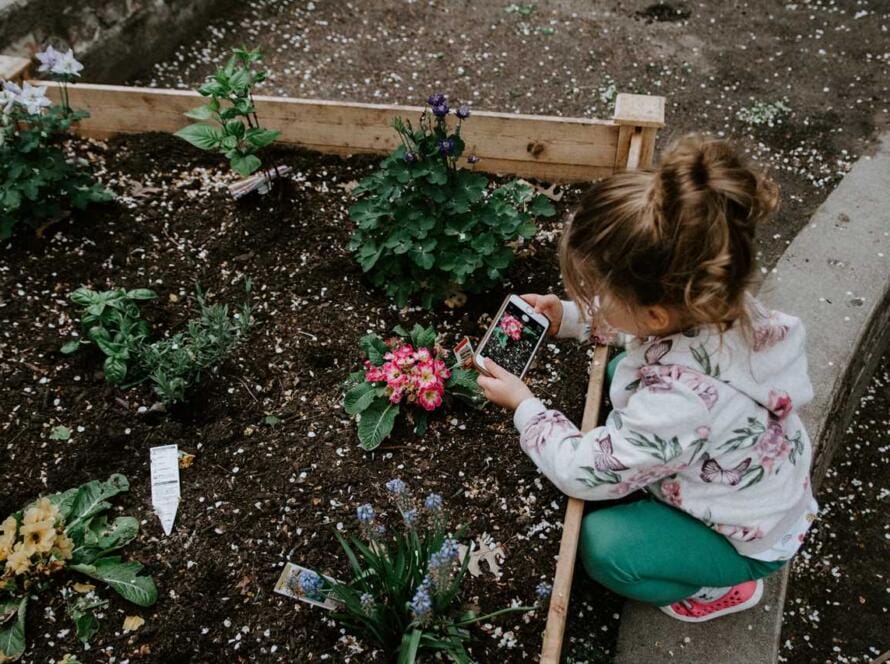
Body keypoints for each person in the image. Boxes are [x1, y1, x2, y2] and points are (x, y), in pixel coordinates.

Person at [476, 135, 818, 622]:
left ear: (656, 314)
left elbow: (582, 473)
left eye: (598, 291)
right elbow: (645, 330)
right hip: (753, 481)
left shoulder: (678, 403)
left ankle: (716, 588)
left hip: (743, 537)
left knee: (604, 547)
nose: (592, 296)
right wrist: (571, 318)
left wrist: (526, 407)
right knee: (621, 370)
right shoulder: (722, 305)